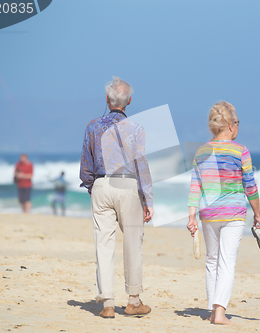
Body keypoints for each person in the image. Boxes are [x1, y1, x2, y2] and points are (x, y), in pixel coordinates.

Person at [79, 77, 154, 319]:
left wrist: (94, 186)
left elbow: (86, 166)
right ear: (129, 101)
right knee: (133, 243)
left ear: (107, 100)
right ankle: (133, 301)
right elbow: (141, 165)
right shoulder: (136, 128)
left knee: (103, 244)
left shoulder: (92, 126)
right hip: (127, 184)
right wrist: (147, 199)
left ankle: (108, 303)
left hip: (101, 184)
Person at [187, 101, 260, 325]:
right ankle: (219, 313)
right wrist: (258, 214)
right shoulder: (241, 151)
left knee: (212, 260)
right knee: (226, 261)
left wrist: (191, 215)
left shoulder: (201, 151)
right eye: (237, 122)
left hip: (208, 213)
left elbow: (195, 186)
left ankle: (214, 310)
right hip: (233, 213)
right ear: (230, 125)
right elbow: (250, 186)